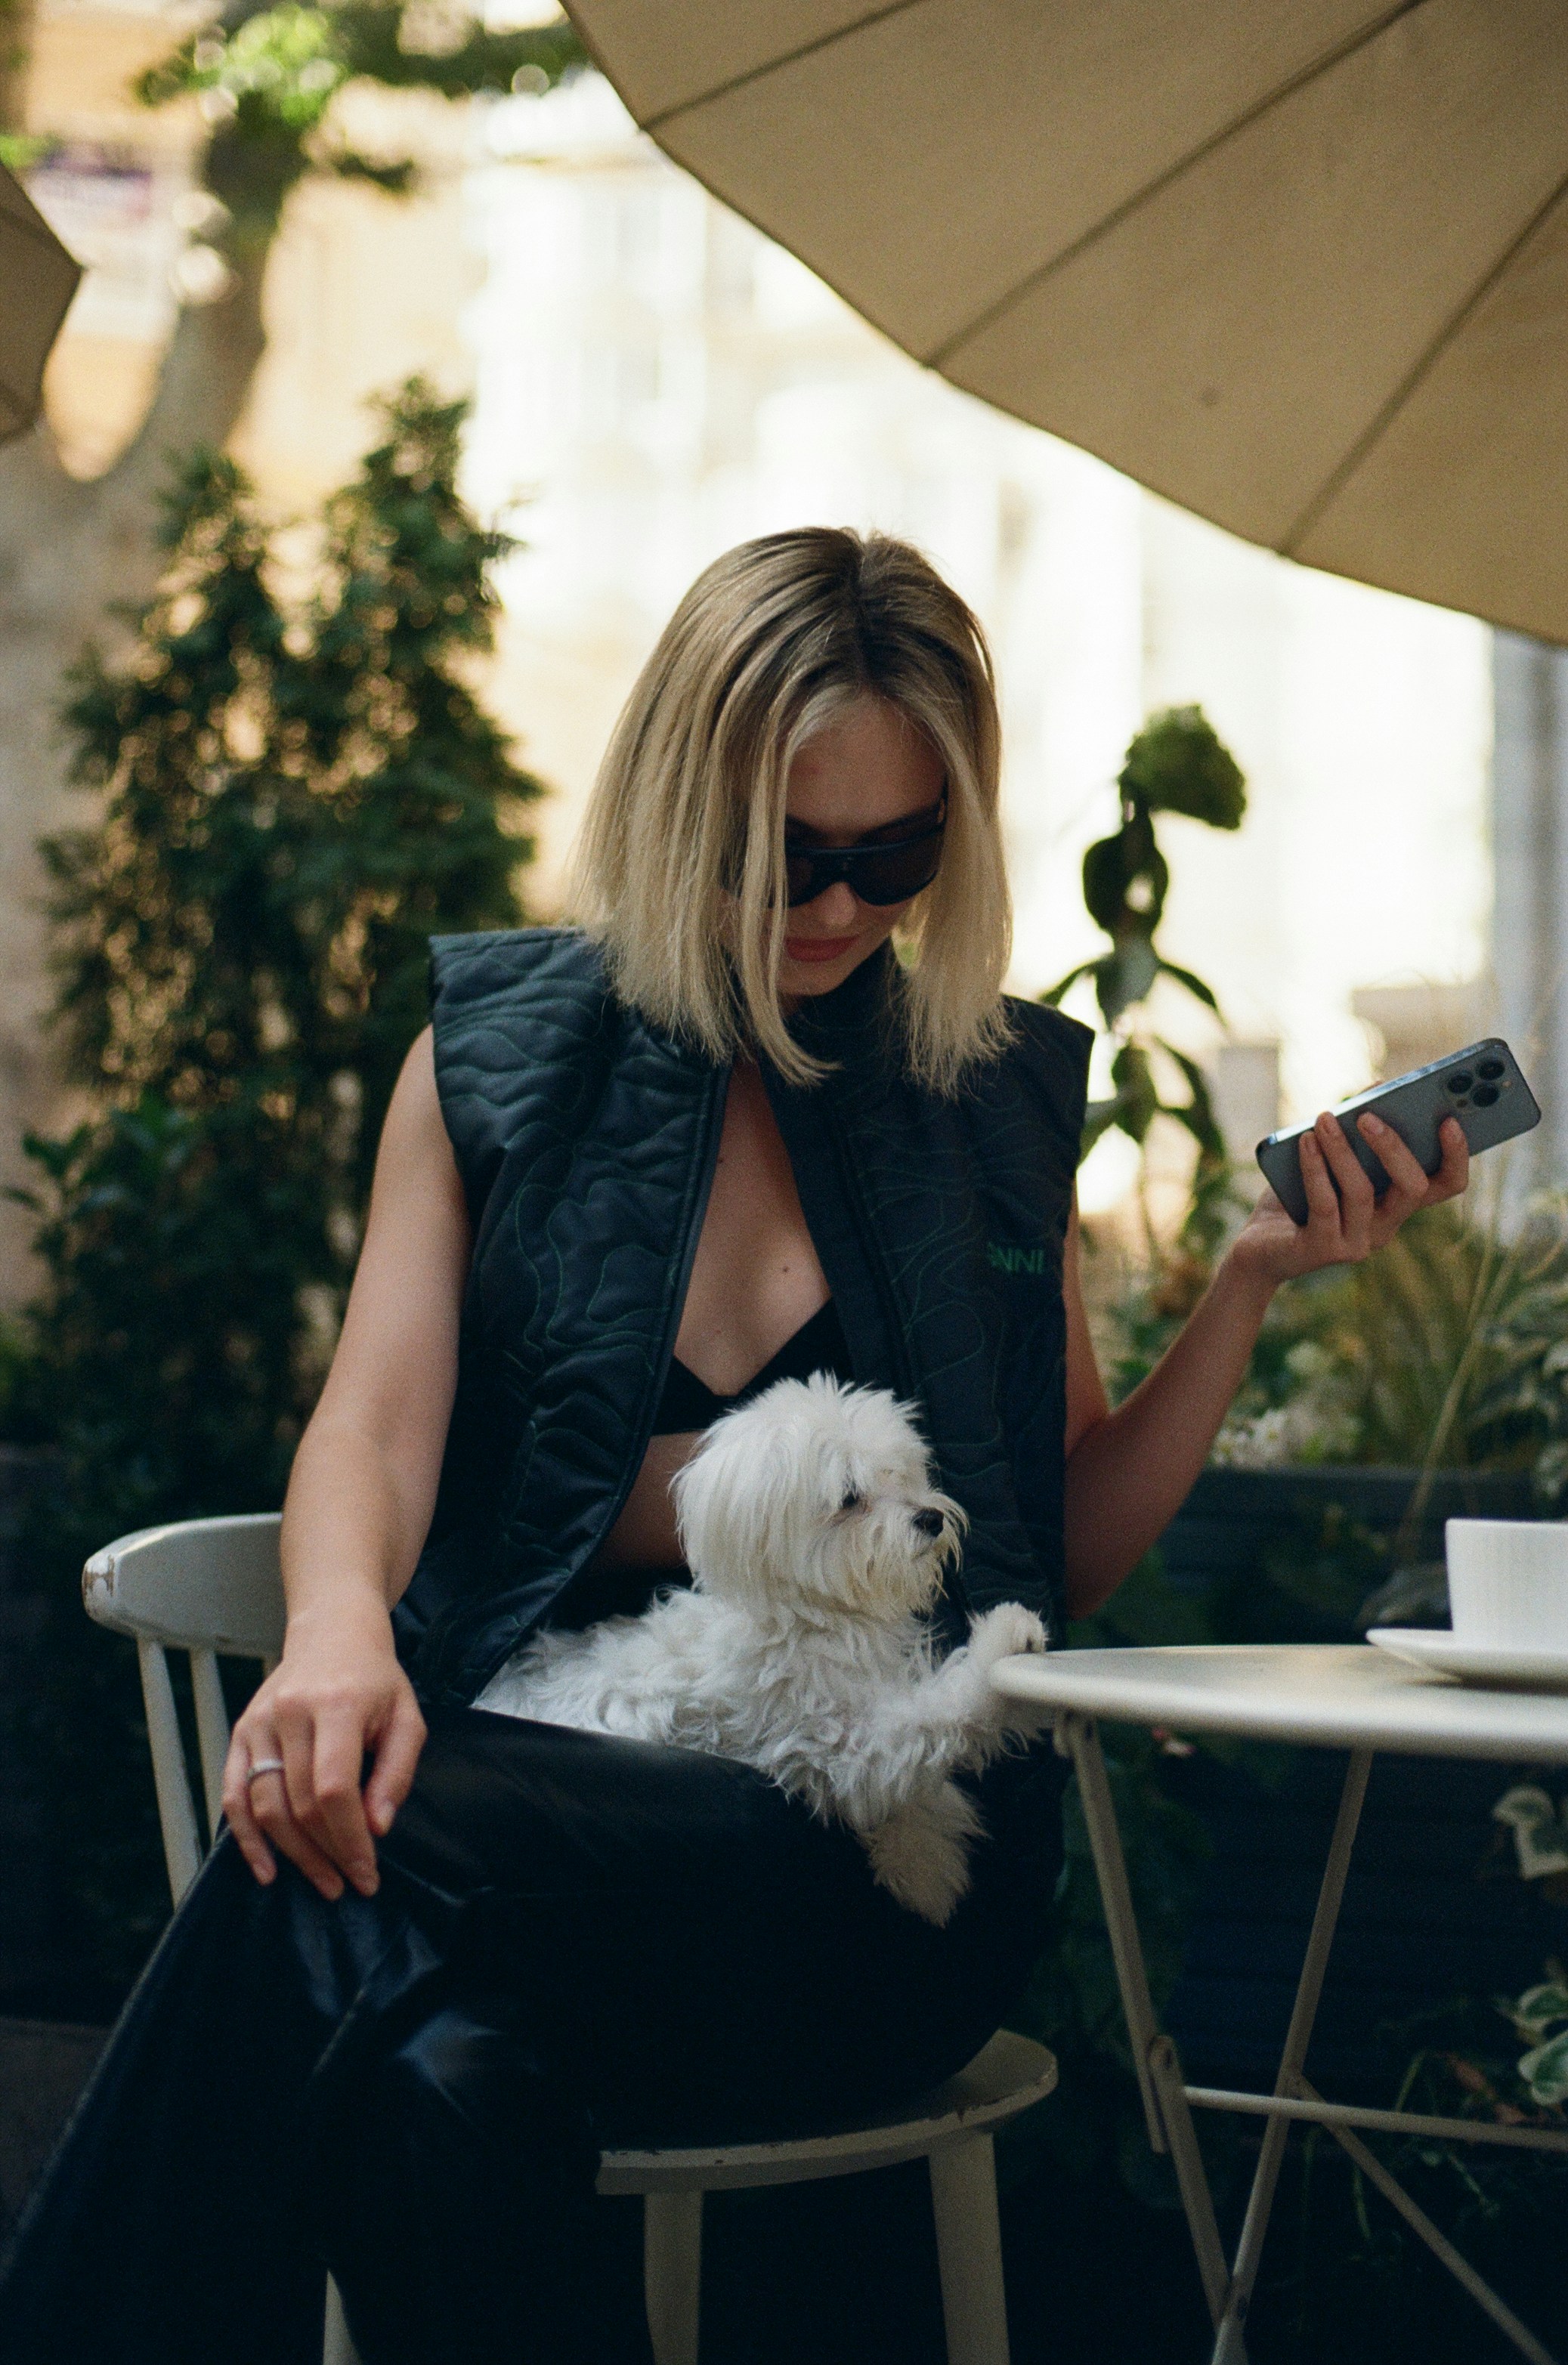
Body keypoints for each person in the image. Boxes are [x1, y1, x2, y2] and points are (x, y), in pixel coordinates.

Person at [0, 529, 1467, 2365]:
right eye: (791, 851)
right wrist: (334, 1634)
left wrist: (1249, 1280)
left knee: (366, 1831)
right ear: (682, 800)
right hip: (549, 1841)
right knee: (439, 2076)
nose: (842, 908)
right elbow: (373, 1421)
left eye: (897, 852)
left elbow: (1053, 1546)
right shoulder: (501, 1056)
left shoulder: (988, 1096)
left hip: (868, 1868)